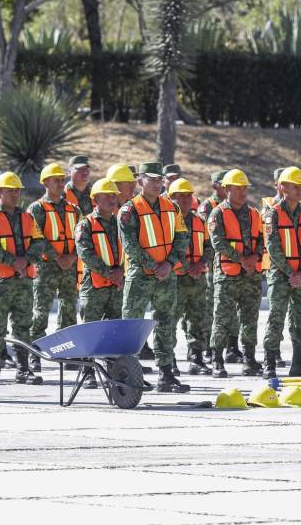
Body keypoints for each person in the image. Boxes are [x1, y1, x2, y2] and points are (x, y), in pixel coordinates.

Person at [119, 162, 190, 392]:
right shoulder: (129, 211)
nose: (158, 183)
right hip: (140, 276)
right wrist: (155, 266)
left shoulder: (172, 208)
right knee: (132, 325)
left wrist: (169, 264)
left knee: (166, 323)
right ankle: (129, 375)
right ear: (140, 181)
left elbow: (182, 239)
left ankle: (166, 374)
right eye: (152, 179)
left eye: (160, 180)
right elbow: (131, 247)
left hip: (166, 276)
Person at [0, 171, 45, 386]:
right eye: (10, 191)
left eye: (17, 190)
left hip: (23, 280)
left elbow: (39, 242)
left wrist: (25, 260)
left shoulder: (27, 217)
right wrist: (14, 261)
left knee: (23, 325)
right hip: (0, 281)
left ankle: (23, 370)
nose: (15, 194)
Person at [262, 166, 301, 378]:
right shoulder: (272, 214)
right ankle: (269, 363)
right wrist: (291, 273)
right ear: (283, 187)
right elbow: (273, 247)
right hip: (280, 276)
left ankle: (298, 362)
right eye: (295, 186)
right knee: (276, 319)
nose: (300, 191)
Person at [206, 169, 263, 379]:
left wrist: (254, 258)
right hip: (227, 275)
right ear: (227, 189)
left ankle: (249, 360)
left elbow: (261, 241)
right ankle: (217, 360)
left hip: (251, 275)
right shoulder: (217, 213)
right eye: (238, 188)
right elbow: (217, 242)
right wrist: (242, 259)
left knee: (250, 319)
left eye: (245, 188)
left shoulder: (254, 214)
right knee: (222, 319)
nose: (242, 192)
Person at [27, 162, 81, 370]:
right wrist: (58, 257)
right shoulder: (37, 208)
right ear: (45, 183)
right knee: (40, 312)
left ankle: (67, 354)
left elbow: (81, 236)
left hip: (69, 268)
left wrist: (73, 257)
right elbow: (36, 237)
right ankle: (35, 355)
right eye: (57, 180)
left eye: (62, 180)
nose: (61, 183)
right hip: (47, 267)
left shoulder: (73, 209)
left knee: (69, 311)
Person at [74, 177, 125, 389]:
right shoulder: (85, 224)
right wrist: (109, 273)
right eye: (107, 195)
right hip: (93, 286)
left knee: (114, 330)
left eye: (114, 195)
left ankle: (113, 372)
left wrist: (121, 272)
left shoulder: (121, 222)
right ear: (95, 199)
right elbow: (85, 252)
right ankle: (87, 372)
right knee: (90, 329)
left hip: (116, 285)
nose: (112, 199)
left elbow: (130, 249)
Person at [168, 177, 212, 375]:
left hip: (197, 279)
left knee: (197, 319)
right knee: (169, 320)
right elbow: (166, 250)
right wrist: (187, 266)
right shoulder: (167, 221)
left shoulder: (199, 220)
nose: (185, 200)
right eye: (180, 197)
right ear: (171, 199)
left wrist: (201, 264)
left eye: (188, 196)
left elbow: (209, 247)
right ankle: (169, 361)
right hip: (175, 278)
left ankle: (196, 358)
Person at [197, 170, 227, 363]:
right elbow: (204, 238)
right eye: (223, 184)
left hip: (226, 266)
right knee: (209, 308)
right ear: (215, 185)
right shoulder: (207, 207)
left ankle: (229, 346)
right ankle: (207, 346)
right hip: (211, 265)